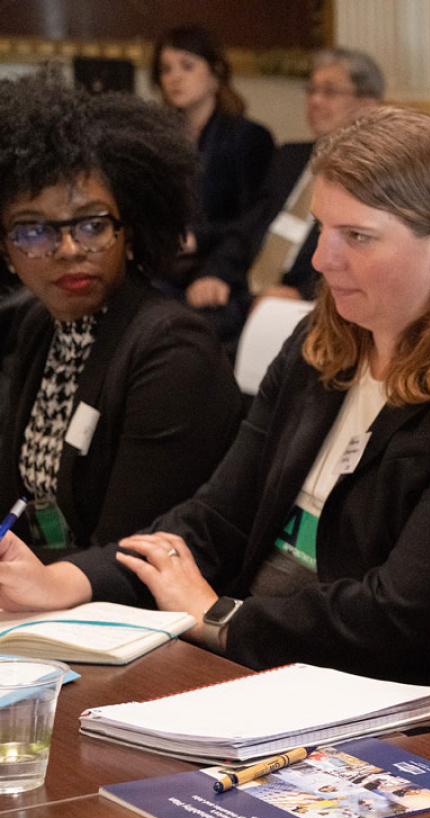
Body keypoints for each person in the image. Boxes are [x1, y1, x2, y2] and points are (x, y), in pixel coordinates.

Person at [0, 107, 430, 701]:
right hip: (251, 662)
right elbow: (214, 519)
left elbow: (408, 616)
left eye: (357, 236)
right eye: (321, 229)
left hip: (374, 700)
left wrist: (221, 617)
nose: (322, 260)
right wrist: (60, 581)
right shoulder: (321, 344)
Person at [0, 76, 242, 562]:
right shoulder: (38, 326)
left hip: (133, 613)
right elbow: (17, 505)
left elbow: (129, 553)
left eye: (92, 225)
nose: (69, 251)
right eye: (33, 231)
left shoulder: (172, 351)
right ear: (5, 251)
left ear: (129, 233)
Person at [190, 47, 385, 308]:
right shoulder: (290, 156)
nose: (315, 100)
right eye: (311, 90)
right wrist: (214, 274)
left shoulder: (376, 174)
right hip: (242, 296)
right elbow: (247, 229)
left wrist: (302, 296)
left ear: (367, 106)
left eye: (329, 92)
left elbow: (366, 262)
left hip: (304, 306)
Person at [154, 24, 276, 342]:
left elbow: (256, 221)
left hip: (221, 270)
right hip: (164, 265)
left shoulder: (249, 137)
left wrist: (195, 239)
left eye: (187, 66)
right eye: (166, 69)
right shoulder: (160, 139)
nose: (174, 78)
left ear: (216, 72)